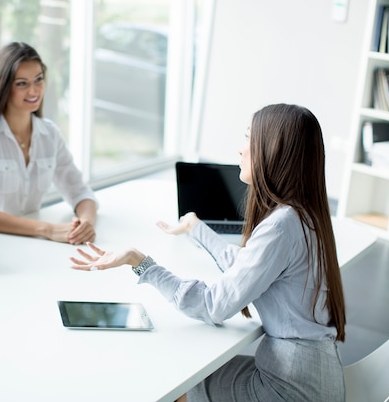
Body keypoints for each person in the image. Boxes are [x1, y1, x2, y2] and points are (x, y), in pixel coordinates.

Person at [70, 103, 347, 402]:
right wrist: (196, 227)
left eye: (248, 138)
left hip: (291, 389)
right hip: (314, 375)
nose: (241, 150)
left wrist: (141, 262)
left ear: (274, 151)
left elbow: (213, 305)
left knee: (173, 384)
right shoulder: (302, 214)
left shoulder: (280, 226)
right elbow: (247, 266)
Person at [0, 42, 98, 245]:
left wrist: (86, 225)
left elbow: (80, 192)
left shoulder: (49, 133)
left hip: (36, 244)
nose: (34, 91)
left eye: (38, 80)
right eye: (22, 83)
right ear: (3, 87)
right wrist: (47, 230)